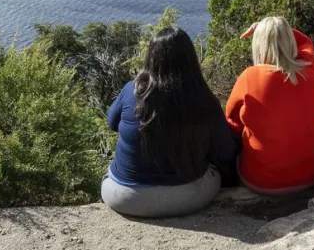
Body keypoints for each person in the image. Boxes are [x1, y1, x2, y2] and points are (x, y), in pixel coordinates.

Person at [102, 27, 238, 218]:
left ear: (151, 57)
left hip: (124, 198)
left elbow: (112, 123)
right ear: (190, 60)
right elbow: (225, 151)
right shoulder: (204, 99)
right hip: (189, 197)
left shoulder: (131, 90)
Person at [225, 17, 314, 195]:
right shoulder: (309, 69)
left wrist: (265, 30)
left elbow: (231, 120)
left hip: (262, 181)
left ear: (259, 45)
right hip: (310, 176)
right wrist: (278, 31)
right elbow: (306, 42)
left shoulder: (250, 76)